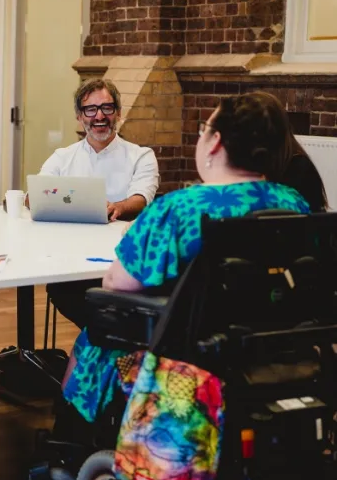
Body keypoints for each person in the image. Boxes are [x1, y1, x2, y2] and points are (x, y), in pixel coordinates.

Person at [62, 91, 310, 426]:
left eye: (203, 129)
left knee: (95, 333)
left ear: (215, 142)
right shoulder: (294, 202)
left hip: (185, 354)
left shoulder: (180, 209)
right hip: (268, 347)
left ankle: (69, 443)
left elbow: (116, 283)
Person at [41, 79, 160, 329]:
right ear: (79, 116)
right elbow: (36, 194)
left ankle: (102, 344)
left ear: (118, 112)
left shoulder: (141, 156)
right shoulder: (62, 157)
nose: (99, 116)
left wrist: (117, 207)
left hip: (122, 259)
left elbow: (141, 198)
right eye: (90, 109)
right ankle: (104, 342)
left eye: (107, 108)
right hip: (70, 258)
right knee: (64, 292)